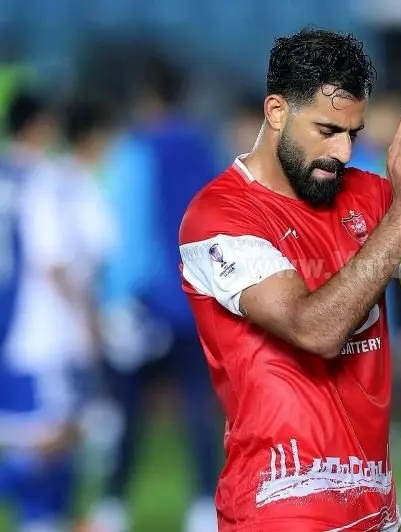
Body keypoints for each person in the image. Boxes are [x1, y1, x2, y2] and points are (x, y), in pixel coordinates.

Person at [178, 28, 401, 531]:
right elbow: (315, 329)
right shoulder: (219, 216)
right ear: (276, 111)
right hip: (280, 508)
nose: (345, 152)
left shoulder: (372, 198)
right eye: (327, 130)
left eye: (352, 133)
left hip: (375, 508)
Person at [90, 53, 222, 532]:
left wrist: (116, 299)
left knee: (129, 411)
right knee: (198, 406)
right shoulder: (206, 149)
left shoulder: (134, 149)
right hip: (196, 298)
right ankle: (204, 506)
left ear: (147, 97)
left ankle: (112, 505)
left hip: (145, 301)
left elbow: (126, 230)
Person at [0, 92, 105, 531]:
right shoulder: (45, 179)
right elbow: (53, 260)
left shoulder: (10, 177)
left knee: (30, 433)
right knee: (53, 437)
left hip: (12, 329)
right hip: (43, 327)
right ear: (39, 126)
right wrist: (87, 319)